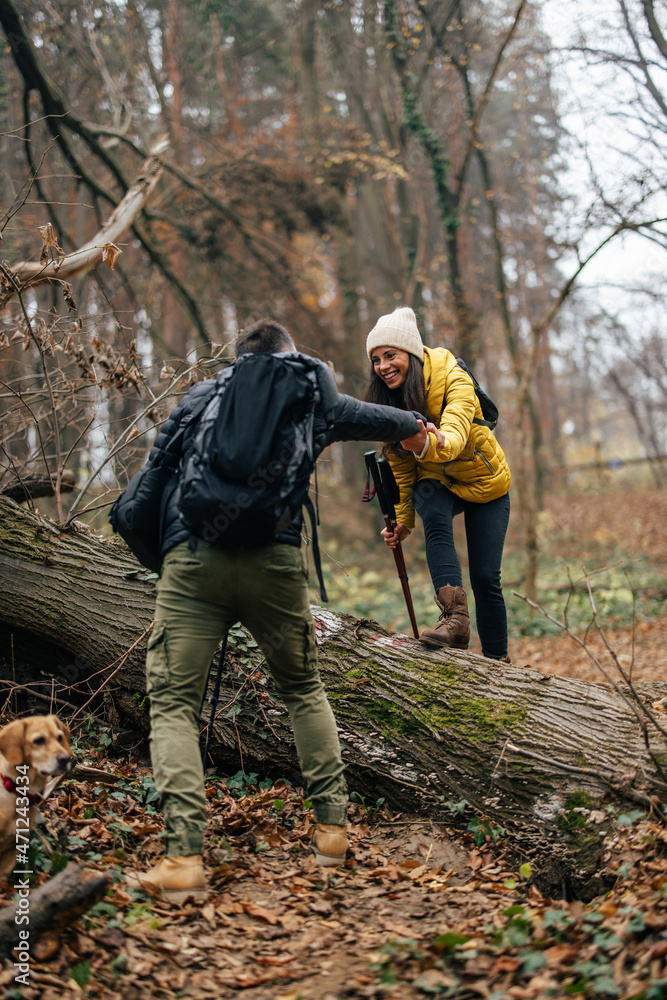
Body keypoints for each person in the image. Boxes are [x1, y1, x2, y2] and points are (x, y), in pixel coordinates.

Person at [124, 317, 431, 903]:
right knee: (301, 688)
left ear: (241, 360)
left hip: (194, 560)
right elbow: (374, 419)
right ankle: (333, 833)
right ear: (291, 359)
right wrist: (417, 424)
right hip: (275, 561)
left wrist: (156, 550)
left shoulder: (201, 397)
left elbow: (153, 479)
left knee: (172, 706)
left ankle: (185, 858)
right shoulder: (311, 393)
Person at [364, 306, 511, 661]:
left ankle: (498, 660)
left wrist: (431, 443)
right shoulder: (390, 400)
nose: (382, 366)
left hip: (485, 484)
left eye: (390, 355)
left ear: (411, 354)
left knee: (486, 579)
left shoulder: (452, 377)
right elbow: (401, 467)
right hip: (437, 483)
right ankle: (456, 619)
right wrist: (403, 520)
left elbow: (457, 433)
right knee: (426, 500)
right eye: (375, 359)